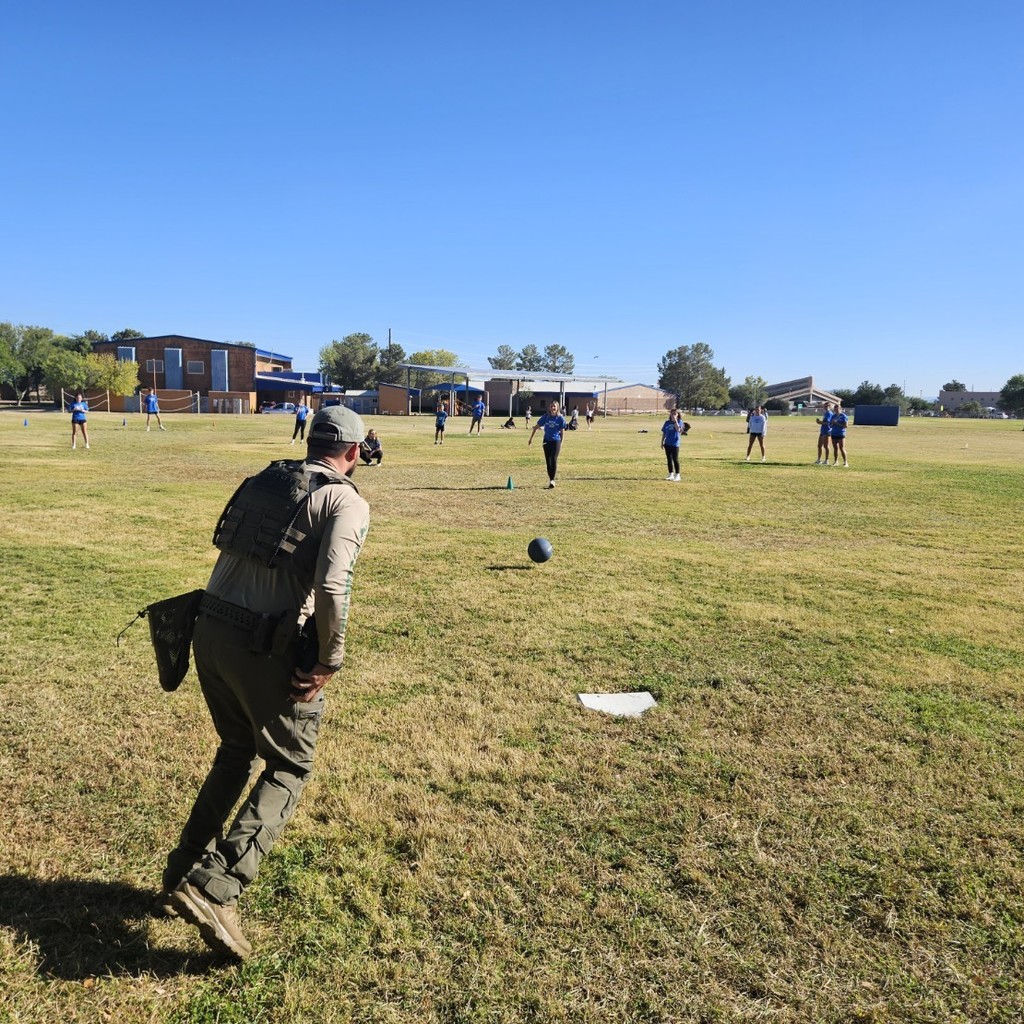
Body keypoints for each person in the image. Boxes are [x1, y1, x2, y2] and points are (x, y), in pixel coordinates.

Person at [163, 405, 371, 960]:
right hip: (263, 644)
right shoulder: (346, 499)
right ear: (353, 452)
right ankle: (216, 886)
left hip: (208, 632)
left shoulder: (265, 479)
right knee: (289, 764)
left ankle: (181, 871)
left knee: (235, 749)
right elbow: (332, 587)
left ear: (312, 443)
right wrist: (330, 658)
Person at [528, 400, 567, 488]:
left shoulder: (560, 419)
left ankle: (552, 480)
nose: (553, 408)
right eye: (551, 406)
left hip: (556, 441)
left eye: (554, 406)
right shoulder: (546, 417)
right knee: (548, 461)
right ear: (549, 408)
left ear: (557, 408)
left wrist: (561, 442)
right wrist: (530, 439)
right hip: (546, 441)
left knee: (553, 459)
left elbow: (562, 432)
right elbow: (535, 427)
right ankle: (550, 479)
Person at [661, 408, 686, 481]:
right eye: (672, 414)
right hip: (667, 443)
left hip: (675, 444)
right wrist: (662, 442)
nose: (673, 415)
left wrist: (675, 420)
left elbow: (679, 430)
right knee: (669, 459)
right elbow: (664, 433)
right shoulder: (667, 422)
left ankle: (677, 475)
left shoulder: (680, 421)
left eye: (675, 414)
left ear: (678, 415)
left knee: (675, 459)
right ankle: (671, 474)